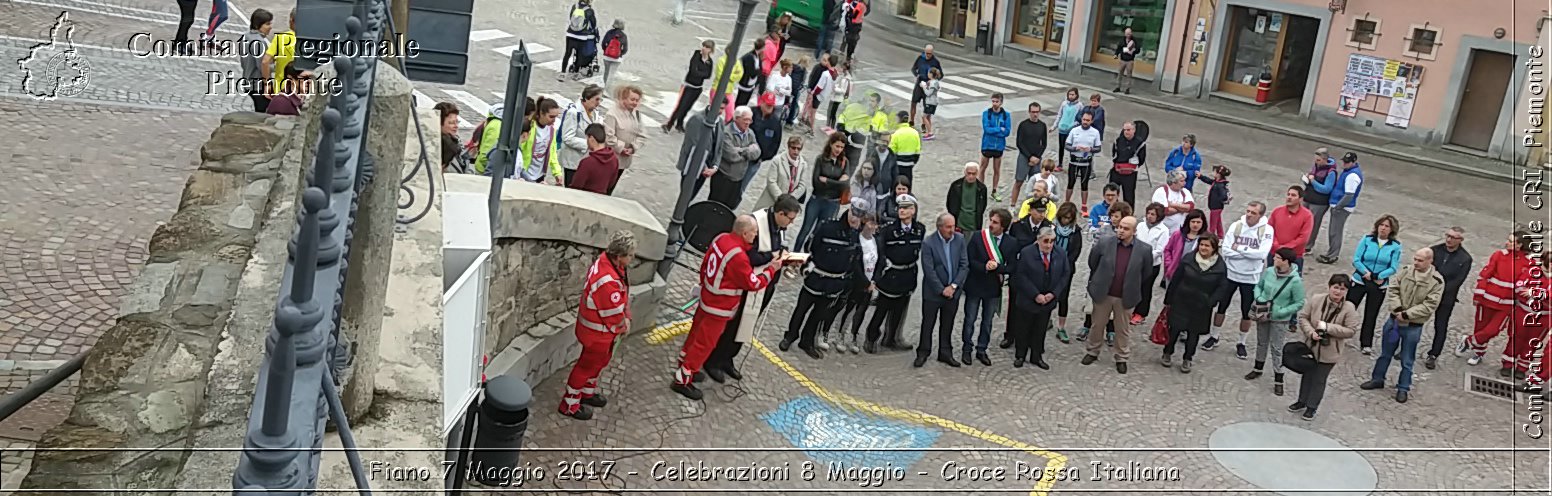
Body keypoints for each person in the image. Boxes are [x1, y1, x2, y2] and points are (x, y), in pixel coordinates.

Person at [672, 215, 788, 400]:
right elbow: (753, 283)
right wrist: (772, 268)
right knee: (704, 344)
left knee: (695, 336)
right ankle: (683, 380)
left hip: (707, 297)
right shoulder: (738, 257)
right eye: (754, 233)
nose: (756, 235)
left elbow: (705, 265)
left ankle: (684, 366)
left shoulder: (721, 238)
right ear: (744, 233)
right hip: (719, 307)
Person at [558, 230, 635, 420]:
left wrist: (626, 315)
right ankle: (570, 404)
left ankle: (586, 392)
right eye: (630, 255)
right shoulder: (607, 280)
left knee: (598, 363)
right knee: (586, 366)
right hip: (597, 334)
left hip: (598, 332)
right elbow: (612, 313)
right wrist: (624, 325)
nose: (633, 258)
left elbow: (621, 298)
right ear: (619, 257)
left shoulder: (608, 265)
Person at [1359, 248, 1444, 404]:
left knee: (1407, 358)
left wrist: (1407, 314)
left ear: (1429, 261)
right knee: (1385, 353)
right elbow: (1393, 289)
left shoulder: (1436, 281)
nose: (1416, 263)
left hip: (1413, 325)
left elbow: (1430, 304)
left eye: (1420, 260)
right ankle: (1377, 378)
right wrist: (1397, 309)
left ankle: (1403, 387)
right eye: (1415, 259)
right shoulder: (1405, 272)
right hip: (1394, 321)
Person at [782, 199, 862, 359]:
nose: (855, 219)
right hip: (817, 277)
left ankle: (807, 341)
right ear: (849, 211)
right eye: (854, 214)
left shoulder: (855, 236)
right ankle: (790, 336)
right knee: (801, 310)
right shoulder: (827, 227)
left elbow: (853, 259)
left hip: (834, 284)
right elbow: (811, 246)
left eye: (859, 217)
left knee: (818, 315)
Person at [1084, 216, 1153, 374]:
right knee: (1097, 325)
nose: (1121, 230)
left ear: (1134, 232)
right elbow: (1092, 262)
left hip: (1125, 296)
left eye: (1126, 228)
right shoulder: (1104, 243)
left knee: (1122, 329)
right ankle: (1092, 351)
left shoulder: (1144, 250)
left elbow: (1146, 272)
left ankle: (1121, 356)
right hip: (1104, 293)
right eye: (1120, 227)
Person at [1291, 274, 1361, 420]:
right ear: (1329, 287)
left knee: (1319, 379)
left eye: (1342, 289)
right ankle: (1301, 400)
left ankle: (1312, 407)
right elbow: (1304, 317)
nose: (1338, 292)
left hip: (1330, 351)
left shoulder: (1349, 308)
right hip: (1311, 345)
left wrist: (1328, 328)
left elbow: (1351, 331)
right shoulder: (1317, 299)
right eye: (1335, 287)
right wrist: (1311, 333)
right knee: (1307, 374)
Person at [1459, 230, 1534, 364]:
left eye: (1511, 241)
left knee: (1492, 331)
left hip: (1507, 305)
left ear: (1519, 245)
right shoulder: (1499, 255)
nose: (1507, 243)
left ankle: (1468, 341)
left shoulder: (1528, 263)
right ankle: (1478, 353)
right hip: (1487, 300)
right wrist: (1478, 295)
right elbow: (1484, 276)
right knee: (1480, 328)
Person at [1212, 201, 1275, 358]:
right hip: (1230, 273)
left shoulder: (1267, 230)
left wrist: (1238, 249)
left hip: (1251, 277)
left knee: (1246, 312)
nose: (1249, 215)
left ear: (1260, 215)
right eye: (1248, 211)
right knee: (1221, 306)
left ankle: (1241, 342)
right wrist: (1248, 252)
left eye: (1253, 213)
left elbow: (1261, 254)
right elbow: (1225, 250)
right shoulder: (1236, 226)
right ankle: (1214, 336)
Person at [865, 195, 927, 353]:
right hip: (891, 275)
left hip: (907, 275)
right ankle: (871, 338)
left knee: (899, 311)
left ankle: (890, 338)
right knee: (882, 310)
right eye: (900, 208)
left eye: (906, 208)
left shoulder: (920, 229)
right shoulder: (889, 230)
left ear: (913, 210)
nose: (901, 211)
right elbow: (881, 253)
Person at [1160, 233, 1226, 372]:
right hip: (1182, 301)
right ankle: (1168, 352)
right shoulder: (1188, 259)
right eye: (1201, 245)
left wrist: (1211, 302)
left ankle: (1188, 358)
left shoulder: (1220, 266)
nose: (1203, 248)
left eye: (1207, 245)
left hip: (1201, 306)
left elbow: (1222, 288)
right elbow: (1176, 279)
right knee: (1175, 330)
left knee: (1193, 334)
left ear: (1214, 248)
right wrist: (1169, 299)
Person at [1246, 248, 1306, 396]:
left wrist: (1281, 311)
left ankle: (1279, 378)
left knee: (1276, 347)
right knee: (1261, 342)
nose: (1274, 259)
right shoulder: (1269, 271)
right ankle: (1257, 368)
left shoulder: (1295, 281)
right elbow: (1259, 286)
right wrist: (1259, 297)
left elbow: (1299, 302)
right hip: (1263, 313)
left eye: (1278, 258)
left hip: (1280, 319)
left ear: (1286, 261)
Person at [1011, 226, 1070, 369]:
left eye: (1052, 241)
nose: (1049, 245)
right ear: (1038, 240)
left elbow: (1065, 275)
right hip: (1028, 299)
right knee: (1023, 328)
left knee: (1040, 329)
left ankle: (1036, 356)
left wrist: (1053, 294)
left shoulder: (1060, 253)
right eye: (1046, 241)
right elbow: (1021, 276)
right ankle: (1020, 355)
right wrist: (1035, 294)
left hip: (1047, 300)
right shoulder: (1027, 253)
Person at [963, 208, 1015, 366]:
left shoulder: (1011, 243)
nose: (991, 224)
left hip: (993, 289)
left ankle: (981, 349)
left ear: (1003, 226)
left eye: (995, 222)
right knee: (970, 319)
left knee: (987, 321)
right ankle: (967, 349)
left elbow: (1012, 267)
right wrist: (985, 266)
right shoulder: (979, 237)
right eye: (991, 220)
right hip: (975, 285)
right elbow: (969, 259)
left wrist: (997, 267)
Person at [916, 213, 969, 368]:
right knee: (928, 323)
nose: (952, 230)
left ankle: (945, 352)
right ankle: (923, 351)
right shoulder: (929, 243)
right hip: (933, 293)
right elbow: (929, 270)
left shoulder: (959, 240)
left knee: (948, 323)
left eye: (953, 226)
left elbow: (964, 265)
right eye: (948, 227)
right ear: (940, 227)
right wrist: (941, 289)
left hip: (953, 292)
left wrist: (953, 286)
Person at [1348, 215, 1404, 355]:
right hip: (1361, 279)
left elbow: (1393, 267)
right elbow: (1356, 259)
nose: (1383, 228)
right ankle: (1339, 332)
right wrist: (1365, 272)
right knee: (1349, 308)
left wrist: (1378, 276)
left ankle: (1366, 343)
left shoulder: (1395, 246)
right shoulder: (1367, 239)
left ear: (1392, 229)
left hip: (1379, 283)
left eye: (1387, 226)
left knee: (1371, 313)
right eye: (1381, 225)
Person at [829, 205, 880, 353]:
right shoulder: (857, 238)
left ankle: (853, 334)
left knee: (861, 311)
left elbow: (880, 261)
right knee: (847, 308)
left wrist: (874, 281)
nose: (873, 226)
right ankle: (838, 333)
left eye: (875, 223)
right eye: (870, 223)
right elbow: (855, 263)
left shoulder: (877, 241)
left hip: (870, 283)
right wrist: (865, 281)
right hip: (856, 281)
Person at [1424, 227, 1472, 369]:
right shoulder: (1435, 250)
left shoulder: (1465, 258)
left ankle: (1434, 354)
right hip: (1427, 292)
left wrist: (1439, 290)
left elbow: (1458, 281)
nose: (1449, 239)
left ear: (1460, 240)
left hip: (1446, 297)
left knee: (1441, 325)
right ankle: (1405, 349)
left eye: (1453, 237)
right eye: (1448, 236)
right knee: (1416, 320)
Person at [794, 132, 850, 251]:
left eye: (841, 147)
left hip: (833, 202)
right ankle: (795, 253)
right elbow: (816, 183)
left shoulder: (844, 162)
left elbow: (845, 185)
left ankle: (811, 254)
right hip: (817, 199)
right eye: (837, 146)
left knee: (820, 231)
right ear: (831, 144)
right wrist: (837, 182)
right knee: (805, 229)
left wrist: (828, 181)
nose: (839, 150)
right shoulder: (821, 159)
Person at [1502, 252, 1552, 380]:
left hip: (1544, 317)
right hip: (1523, 311)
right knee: (1516, 338)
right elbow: (1519, 287)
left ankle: (1522, 367)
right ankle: (1508, 364)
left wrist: (1533, 293)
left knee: (1533, 343)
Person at [1314, 152, 1363, 265]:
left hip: (1342, 207)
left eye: (1347, 162)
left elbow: (1349, 195)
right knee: (1334, 231)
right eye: (1344, 161)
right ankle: (1332, 253)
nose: (1344, 164)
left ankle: (1332, 255)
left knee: (1335, 232)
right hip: (1340, 206)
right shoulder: (1349, 172)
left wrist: (1338, 207)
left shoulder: (1352, 176)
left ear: (1353, 162)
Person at [709, 107, 763, 209]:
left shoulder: (749, 133)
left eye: (750, 120)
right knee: (715, 205)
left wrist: (740, 150)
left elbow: (757, 152)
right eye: (745, 119)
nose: (748, 123)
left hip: (738, 178)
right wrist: (748, 152)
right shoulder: (726, 132)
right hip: (724, 177)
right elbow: (731, 156)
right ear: (736, 118)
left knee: (730, 207)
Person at [663, 40, 716, 133]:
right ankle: (669, 124)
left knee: (688, 106)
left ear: (710, 50)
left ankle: (679, 123)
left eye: (707, 47)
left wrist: (700, 73)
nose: (704, 48)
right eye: (703, 46)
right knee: (681, 106)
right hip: (688, 85)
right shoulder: (696, 55)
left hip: (698, 87)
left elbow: (708, 75)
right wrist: (701, 73)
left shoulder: (709, 61)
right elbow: (693, 71)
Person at [1132, 203, 1171, 325]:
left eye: (1153, 214)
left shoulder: (1163, 230)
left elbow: (1160, 250)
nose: (1149, 216)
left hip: (1151, 264)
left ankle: (1141, 312)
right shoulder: (1140, 225)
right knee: (1133, 286)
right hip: (1135, 261)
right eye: (1148, 213)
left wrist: (1144, 256)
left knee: (1145, 288)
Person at [1051, 202, 1085, 343]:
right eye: (1064, 218)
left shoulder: (1075, 232)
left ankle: (1061, 327)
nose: (1065, 221)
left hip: (1066, 269)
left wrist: (1064, 264)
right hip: (1049, 267)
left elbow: (1075, 252)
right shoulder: (1051, 227)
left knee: (1063, 297)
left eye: (1068, 218)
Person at [559, 85, 606, 186]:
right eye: (596, 99)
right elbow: (567, 137)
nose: (599, 103)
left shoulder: (595, 114)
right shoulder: (574, 113)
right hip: (573, 161)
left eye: (600, 100)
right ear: (587, 97)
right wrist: (589, 144)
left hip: (588, 160)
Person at [603, 85, 646, 193]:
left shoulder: (636, 114)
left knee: (612, 186)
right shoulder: (612, 114)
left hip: (624, 160)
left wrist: (633, 147)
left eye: (637, 100)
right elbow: (609, 136)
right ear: (623, 98)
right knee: (604, 186)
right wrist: (621, 148)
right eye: (632, 99)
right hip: (611, 158)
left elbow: (642, 134)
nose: (635, 103)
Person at [746, 93, 786, 198]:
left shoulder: (775, 122)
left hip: (756, 161)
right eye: (767, 104)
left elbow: (775, 143)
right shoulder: (750, 113)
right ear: (761, 102)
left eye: (771, 105)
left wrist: (763, 157)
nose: (769, 107)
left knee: (743, 185)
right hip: (740, 156)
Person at [755, 137, 809, 211]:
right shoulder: (778, 160)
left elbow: (802, 185)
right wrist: (781, 199)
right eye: (793, 148)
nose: (796, 151)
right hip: (770, 201)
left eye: (798, 149)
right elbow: (771, 181)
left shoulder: (803, 165)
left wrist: (790, 200)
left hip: (788, 206)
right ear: (788, 147)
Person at [1268, 185, 1314, 272]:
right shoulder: (1277, 211)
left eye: (1293, 195)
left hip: (1294, 256)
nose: (1289, 197)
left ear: (1300, 199)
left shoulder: (1307, 216)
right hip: (1274, 254)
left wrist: (1285, 248)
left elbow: (1303, 237)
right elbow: (1269, 230)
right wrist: (1276, 244)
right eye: (1288, 194)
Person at [1302, 148, 1340, 254]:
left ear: (1325, 159)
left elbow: (1326, 189)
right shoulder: (1316, 167)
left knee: (1313, 224)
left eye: (1318, 160)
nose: (1316, 162)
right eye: (1315, 160)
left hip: (1319, 202)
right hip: (1308, 197)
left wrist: (1313, 181)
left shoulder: (1331, 172)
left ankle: (1308, 246)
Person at [518, 98, 564, 184]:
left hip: (540, 176)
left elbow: (552, 153)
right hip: (524, 174)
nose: (554, 120)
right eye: (551, 116)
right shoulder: (529, 128)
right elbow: (520, 149)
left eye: (556, 117)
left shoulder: (551, 131)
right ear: (541, 113)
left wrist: (557, 173)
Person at [1064, 112, 1103, 212]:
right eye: (1084, 120)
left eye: (1088, 120)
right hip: (1074, 161)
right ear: (1081, 119)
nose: (1085, 122)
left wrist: (1090, 149)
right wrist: (1074, 148)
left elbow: (1098, 148)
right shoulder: (1074, 130)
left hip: (1086, 162)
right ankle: (1066, 203)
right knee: (1070, 183)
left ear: (1092, 121)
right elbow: (1067, 145)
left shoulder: (1095, 132)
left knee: (1084, 184)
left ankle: (1084, 205)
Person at [1013, 102, 1049, 208]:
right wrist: (1029, 157)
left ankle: (1033, 205)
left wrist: (1037, 157)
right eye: (1033, 112)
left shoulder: (1042, 126)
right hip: (1025, 156)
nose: (1035, 114)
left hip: (1037, 158)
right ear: (1029, 112)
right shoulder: (1023, 125)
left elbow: (1044, 143)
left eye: (1037, 112)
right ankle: (1013, 205)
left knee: (1036, 184)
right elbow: (1019, 143)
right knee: (1019, 181)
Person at [238, 10, 274, 112]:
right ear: (258, 25)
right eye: (267, 24)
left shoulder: (246, 36)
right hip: (258, 85)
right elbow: (263, 66)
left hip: (248, 80)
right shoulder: (259, 42)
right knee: (263, 113)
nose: (270, 27)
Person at [980, 94, 1013, 201]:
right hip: (987, 145)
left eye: (996, 101)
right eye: (993, 101)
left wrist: (995, 130)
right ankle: (980, 190)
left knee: (997, 170)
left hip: (999, 146)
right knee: (982, 168)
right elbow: (986, 129)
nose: (994, 103)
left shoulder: (1006, 115)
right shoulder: (986, 113)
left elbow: (1007, 132)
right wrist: (999, 129)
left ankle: (994, 191)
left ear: (1001, 102)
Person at [568, 123, 618, 194]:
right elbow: (611, 183)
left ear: (591, 138)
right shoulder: (614, 159)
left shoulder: (587, 162)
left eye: (587, 138)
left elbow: (576, 186)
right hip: (602, 197)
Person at [1162, 209, 1209, 284]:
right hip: (1174, 273)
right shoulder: (1178, 235)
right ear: (1188, 222)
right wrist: (1169, 264)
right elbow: (1168, 249)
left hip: (1192, 276)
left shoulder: (1205, 239)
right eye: (1193, 222)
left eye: (1198, 222)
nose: (1195, 225)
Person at [260, 10, 299, 95]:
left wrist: (267, 84)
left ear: (292, 20)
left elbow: (265, 61)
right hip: (304, 91)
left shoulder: (281, 38)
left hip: (281, 89)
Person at [1108, 121, 1146, 206]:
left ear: (1134, 130)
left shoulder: (1140, 143)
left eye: (1128, 130)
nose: (1126, 132)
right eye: (1124, 130)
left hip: (1130, 174)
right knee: (1112, 194)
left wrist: (1132, 166)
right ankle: (1112, 211)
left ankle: (1129, 215)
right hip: (1116, 171)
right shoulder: (1118, 140)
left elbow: (1142, 159)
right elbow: (1114, 154)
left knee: (1129, 196)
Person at [561, 0, 599, 80]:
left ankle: (563, 73)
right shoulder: (589, 10)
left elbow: (571, 18)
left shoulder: (575, 7)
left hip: (570, 34)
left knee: (567, 54)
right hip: (581, 36)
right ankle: (575, 74)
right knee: (579, 55)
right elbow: (593, 24)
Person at [947, 163, 989, 234]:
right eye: (969, 173)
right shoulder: (956, 185)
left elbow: (983, 205)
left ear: (977, 173)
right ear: (965, 172)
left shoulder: (982, 188)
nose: (971, 176)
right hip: (958, 224)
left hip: (973, 225)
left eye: (973, 174)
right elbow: (950, 203)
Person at [1150, 170, 1195, 234]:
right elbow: (1164, 211)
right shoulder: (1161, 191)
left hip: (1179, 230)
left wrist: (1172, 205)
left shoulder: (1185, 191)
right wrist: (1182, 208)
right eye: (1181, 181)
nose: (1184, 183)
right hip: (1161, 230)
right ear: (1173, 182)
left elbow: (1190, 207)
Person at [889, 111, 923, 183]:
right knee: (907, 186)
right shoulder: (915, 133)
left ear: (899, 119)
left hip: (898, 166)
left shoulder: (896, 134)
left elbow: (891, 152)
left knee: (896, 187)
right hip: (909, 167)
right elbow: (917, 151)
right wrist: (912, 163)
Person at [1054, 88, 1083, 172]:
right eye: (1069, 94)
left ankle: (1073, 165)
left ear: (1076, 95)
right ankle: (1060, 164)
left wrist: (1074, 125)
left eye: (1073, 94)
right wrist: (1055, 126)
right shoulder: (1064, 104)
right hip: (1062, 128)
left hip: (1072, 130)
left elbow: (1080, 118)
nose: (1071, 96)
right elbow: (1059, 115)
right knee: (1061, 147)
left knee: (1072, 148)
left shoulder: (1079, 105)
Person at [599, 19, 629, 88]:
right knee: (611, 74)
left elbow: (603, 44)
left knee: (606, 73)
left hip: (607, 57)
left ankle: (604, 86)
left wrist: (606, 51)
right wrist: (620, 54)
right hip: (617, 59)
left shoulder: (609, 33)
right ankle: (607, 90)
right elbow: (625, 49)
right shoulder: (624, 35)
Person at [434, 102, 463, 172]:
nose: (456, 126)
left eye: (457, 122)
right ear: (439, 123)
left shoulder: (454, 141)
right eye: (451, 123)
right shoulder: (444, 146)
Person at [735, 39, 764, 108]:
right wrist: (758, 71)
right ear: (762, 47)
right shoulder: (750, 56)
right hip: (745, 84)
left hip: (751, 84)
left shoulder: (757, 56)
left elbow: (759, 69)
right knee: (740, 103)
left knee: (744, 103)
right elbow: (752, 72)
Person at [786, 55, 810, 126]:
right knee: (794, 104)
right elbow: (802, 81)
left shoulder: (793, 66)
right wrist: (802, 86)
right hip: (796, 89)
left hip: (789, 86)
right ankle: (790, 120)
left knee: (785, 100)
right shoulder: (804, 70)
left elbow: (789, 74)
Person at [920, 68, 943, 140]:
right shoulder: (935, 82)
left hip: (930, 102)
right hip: (933, 101)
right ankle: (929, 132)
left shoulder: (933, 83)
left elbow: (928, 93)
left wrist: (924, 87)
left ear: (931, 74)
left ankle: (930, 133)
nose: (927, 74)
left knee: (924, 116)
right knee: (928, 117)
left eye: (928, 73)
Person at [1114, 27, 1138, 94]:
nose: (1128, 35)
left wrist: (1134, 50)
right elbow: (1119, 48)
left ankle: (1127, 89)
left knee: (1129, 75)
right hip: (1122, 59)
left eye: (1129, 33)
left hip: (1130, 60)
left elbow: (1138, 49)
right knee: (1119, 74)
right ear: (1125, 34)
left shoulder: (1134, 41)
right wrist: (1116, 54)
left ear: (1131, 33)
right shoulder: (1122, 40)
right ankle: (1117, 87)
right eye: (1127, 34)